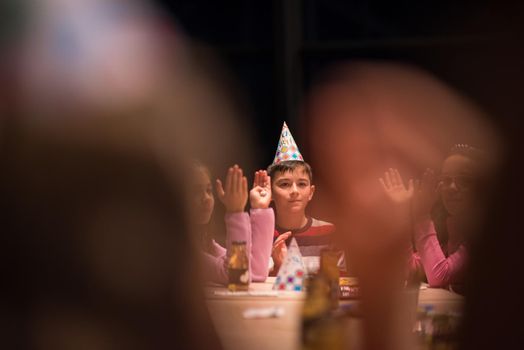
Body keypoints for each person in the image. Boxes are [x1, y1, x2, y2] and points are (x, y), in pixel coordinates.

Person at [379, 144, 483, 291]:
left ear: (483, 187)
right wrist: (400, 214)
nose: (451, 187)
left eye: (464, 180)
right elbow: (410, 271)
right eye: (446, 180)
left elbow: (439, 276)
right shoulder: (452, 232)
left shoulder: (485, 235)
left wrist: (422, 215)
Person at [268, 122, 344, 275]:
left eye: (302, 184)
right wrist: (277, 267)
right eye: (284, 184)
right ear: (270, 192)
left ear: (311, 192)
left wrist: (289, 270)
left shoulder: (329, 232)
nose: (294, 191)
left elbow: (336, 284)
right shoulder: (262, 235)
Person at [191, 161, 274, 285]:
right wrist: (235, 213)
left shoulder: (205, 242)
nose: (206, 198)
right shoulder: (178, 247)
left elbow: (256, 271)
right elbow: (238, 276)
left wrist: (260, 208)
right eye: (195, 192)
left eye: (209, 190)